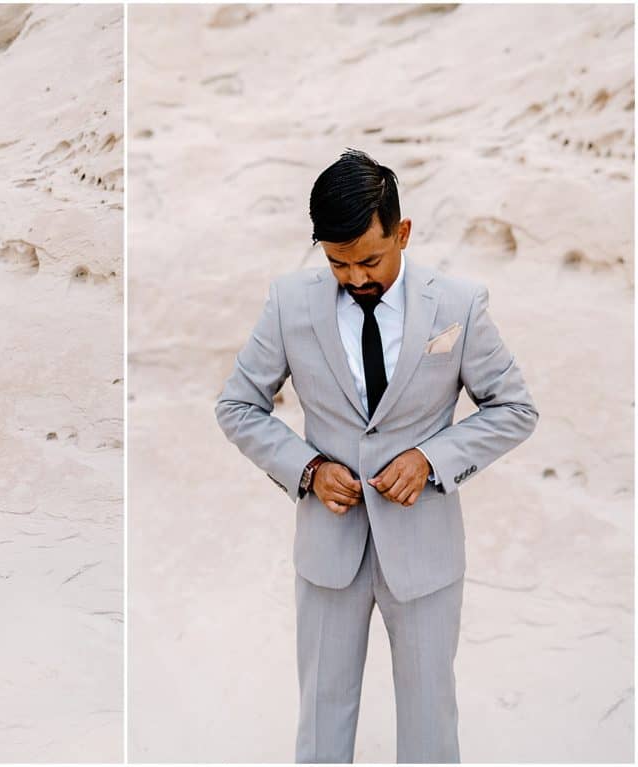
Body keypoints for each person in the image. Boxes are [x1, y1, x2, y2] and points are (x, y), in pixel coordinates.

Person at [215, 150, 538, 762]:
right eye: (338, 263)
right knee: (321, 721)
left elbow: (514, 409)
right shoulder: (289, 302)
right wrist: (306, 469)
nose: (356, 277)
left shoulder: (459, 305)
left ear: (403, 232)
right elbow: (238, 405)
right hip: (328, 551)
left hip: (425, 552)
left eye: (370, 259)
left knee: (429, 724)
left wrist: (433, 459)